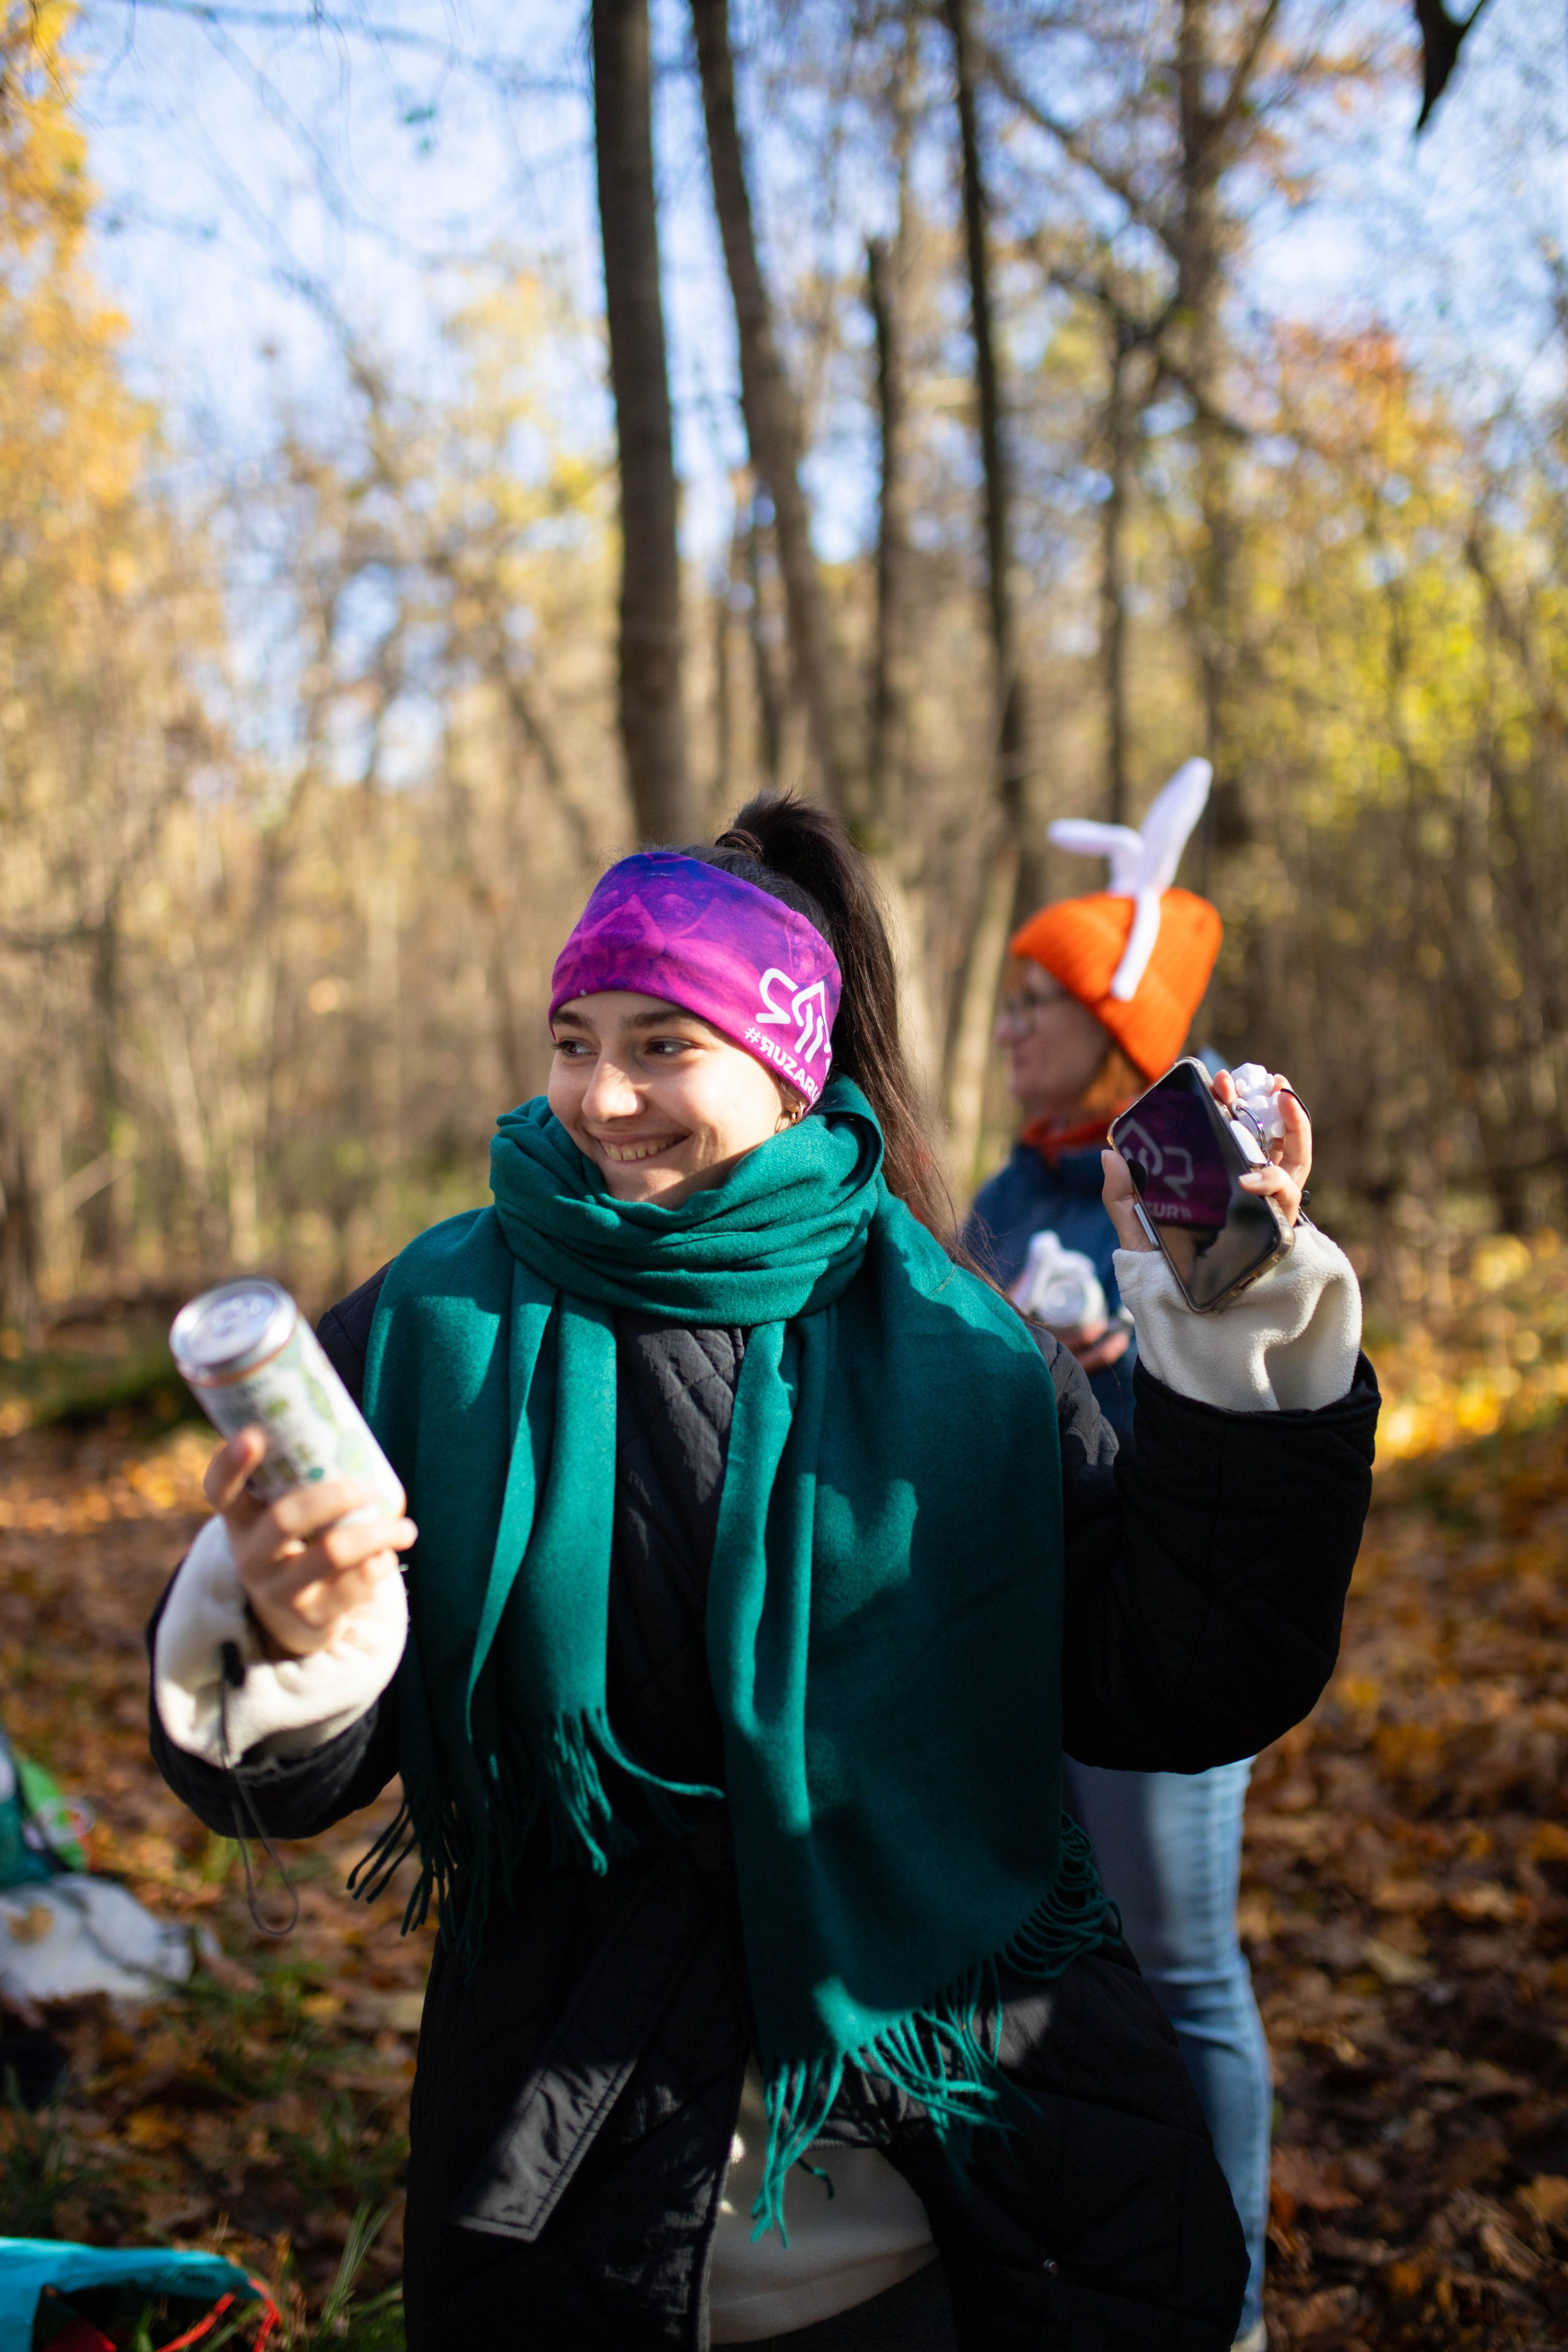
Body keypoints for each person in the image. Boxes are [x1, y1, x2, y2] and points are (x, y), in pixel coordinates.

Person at [148, 793, 1376, 2351]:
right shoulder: (423, 1326)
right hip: (567, 2204)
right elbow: (273, 1784)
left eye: (664, 1044)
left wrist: (1227, 1326)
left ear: (792, 1065)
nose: (602, 1097)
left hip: (974, 2207)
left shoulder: (957, 1335)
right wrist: (293, 1628)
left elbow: (1184, 1673)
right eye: (573, 1038)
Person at [966, 760, 1274, 2352]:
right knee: (1063, 1972)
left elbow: (1256, 1408)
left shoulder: (1191, 1159)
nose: (1011, 1026)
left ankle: (1229, 2311)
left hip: (1159, 1634)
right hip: (1029, 1639)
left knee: (1183, 1971)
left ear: (1118, 1017)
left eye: (1040, 999)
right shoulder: (1009, 1184)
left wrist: (1121, 1361)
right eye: (1012, 999)